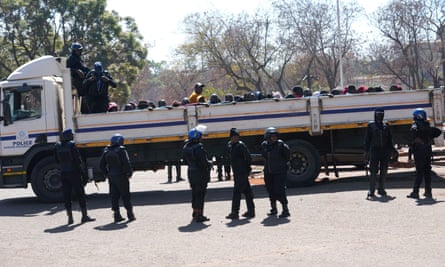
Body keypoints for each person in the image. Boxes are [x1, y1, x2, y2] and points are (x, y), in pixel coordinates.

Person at [54, 129, 95, 225]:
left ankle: (70, 218)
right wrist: (82, 172)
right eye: (71, 135)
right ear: (68, 136)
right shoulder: (72, 145)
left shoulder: (57, 146)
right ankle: (84, 216)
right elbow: (78, 160)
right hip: (74, 172)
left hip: (63, 173)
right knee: (80, 194)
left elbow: (56, 160)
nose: (73, 137)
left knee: (67, 196)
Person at [99, 133, 136, 223]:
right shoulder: (121, 150)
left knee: (114, 196)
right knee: (125, 195)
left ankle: (116, 215)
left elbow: (101, 165)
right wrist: (129, 173)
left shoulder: (106, 150)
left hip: (112, 176)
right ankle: (130, 215)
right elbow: (126, 163)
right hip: (121, 176)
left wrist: (107, 174)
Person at [407, 108, 442, 199]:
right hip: (427, 150)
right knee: (427, 172)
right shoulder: (427, 125)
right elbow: (438, 132)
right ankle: (428, 192)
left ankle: (415, 192)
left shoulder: (415, 125)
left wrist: (419, 138)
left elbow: (413, 133)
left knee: (419, 172)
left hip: (419, 151)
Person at [182, 126, 212, 222]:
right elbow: (204, 162)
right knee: (200, 195)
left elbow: (185, 161)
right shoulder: (199, 147)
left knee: (194, 194)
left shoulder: (186, 147)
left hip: (191, 172)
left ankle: (195, 212)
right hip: (200, 173)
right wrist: (210, 164)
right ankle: (199, 214)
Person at [364, 108, 394, 199]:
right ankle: (371, 190)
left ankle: (381, 189)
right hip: (374, 151)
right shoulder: (371, 125)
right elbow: (367, 139)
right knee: (373, 171)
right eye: (378, 114)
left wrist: (392, 151)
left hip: (385, 151)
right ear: (375, 115)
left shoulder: (386, 125)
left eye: (381, 114)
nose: (380, 116)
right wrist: (365, 151)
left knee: (383, 171)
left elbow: (390, 140)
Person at [261, 127, 291, 218]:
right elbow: (264, 156)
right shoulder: (264, 145)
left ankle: (285, 209)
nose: (274, 138)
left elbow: (287, 155)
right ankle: (273, 208)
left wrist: (283, 166)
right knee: (270, 191)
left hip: (279, 172)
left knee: (280, 191)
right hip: (268, 172)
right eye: (272, 136)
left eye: (275, 136)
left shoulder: (281, 145)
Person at [225, 128, 255, 219]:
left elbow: (248, 157)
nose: (235, 138)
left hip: (242, 172)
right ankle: (251, 211)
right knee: (247, 192)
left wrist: (247, 169)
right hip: (237, 172)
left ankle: (235, 212)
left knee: (237, 192)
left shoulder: (241, 146)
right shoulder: (230, 145)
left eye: (237, 136)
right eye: (234, 137)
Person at [66, 42, 90, 113]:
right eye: (78, 50)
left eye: (80, 50)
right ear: (74, 51)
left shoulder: (80, 59)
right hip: (75, 83)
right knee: (79, 99)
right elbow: (68, 70)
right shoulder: (70, 59)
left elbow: (84, 68)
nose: (80, 51)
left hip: (83, 82)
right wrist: (76, 71)